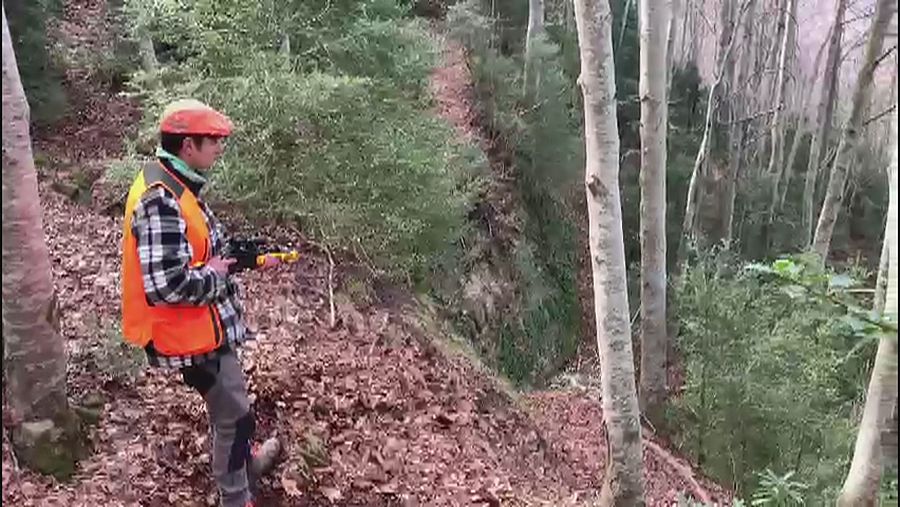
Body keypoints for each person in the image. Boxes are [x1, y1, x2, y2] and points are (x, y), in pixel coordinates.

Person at [120, 99, 281, 507]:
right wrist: (217, 274)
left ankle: (246, 467)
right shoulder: (159, 199)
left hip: (204, 327)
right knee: (233, 418)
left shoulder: (176, 181)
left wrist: (245, 258)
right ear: (188, 145)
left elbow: (199, 249)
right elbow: (167, 285)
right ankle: (235, 497)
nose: (220, 147)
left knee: (235, 412)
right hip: (187, 337)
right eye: (213, 140)